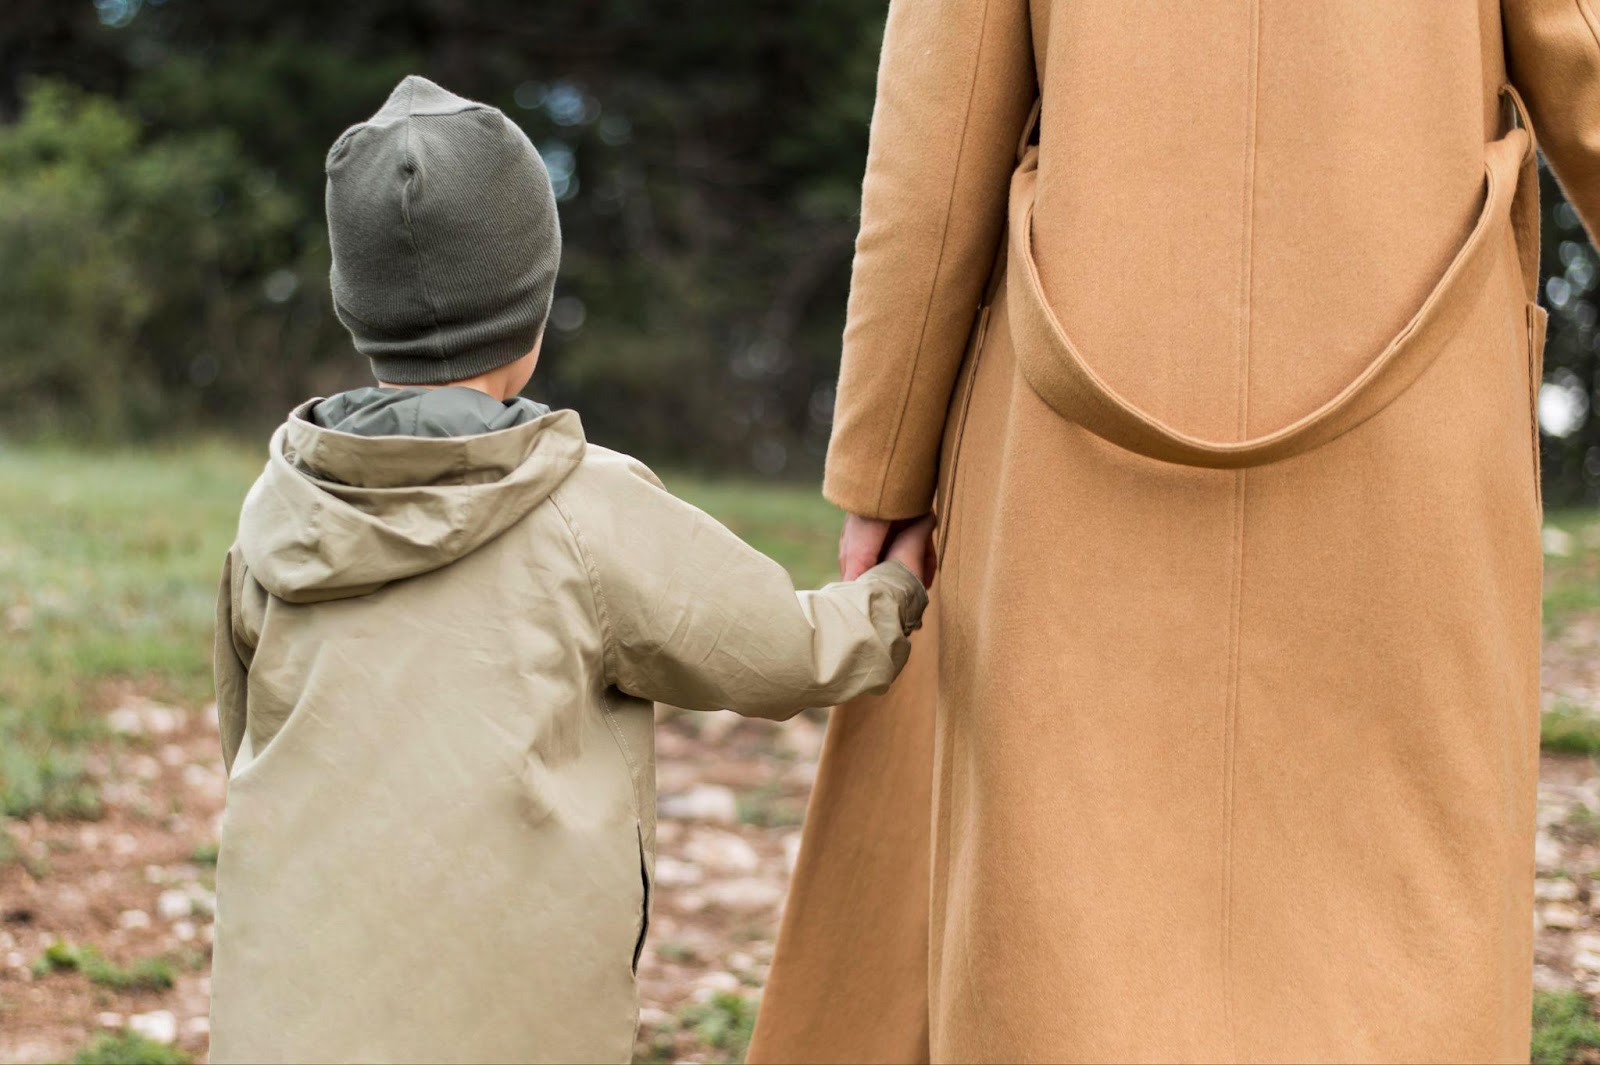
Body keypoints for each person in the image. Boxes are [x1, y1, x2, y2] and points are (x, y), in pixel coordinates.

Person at [749, 3, 1587, 1062]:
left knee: (1068, 916)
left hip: (1080, 409)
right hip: (1410, 418)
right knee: (1402, 907)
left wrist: (888, 458)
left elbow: (941, 126)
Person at [205, 75, 930, 1065]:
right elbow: (780, 656)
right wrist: (891, 593)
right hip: (516, 1032)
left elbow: (247, 742)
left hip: (288, 1024)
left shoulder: (275, 511)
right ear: (536, 308)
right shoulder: (583, 506)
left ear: (352, 309)